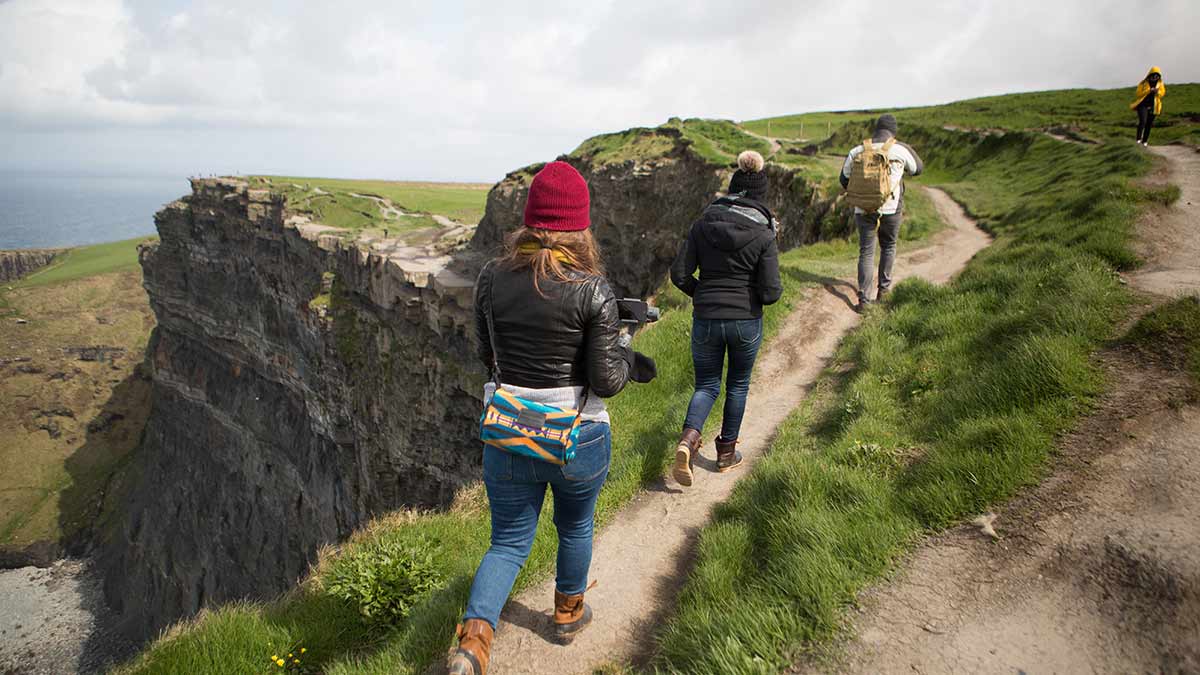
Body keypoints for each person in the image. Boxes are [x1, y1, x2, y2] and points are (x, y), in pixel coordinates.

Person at [449, 161, 657, 675]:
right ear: (580, 226)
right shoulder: (594, 289)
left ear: (528, 221)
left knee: (509, 542)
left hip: (509, 431)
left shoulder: (490, 278)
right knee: (575, 525)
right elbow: (607, 380)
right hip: (577, 437)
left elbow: (486, 355)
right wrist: (628, 348)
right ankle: (567, 615)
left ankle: (474, 643)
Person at [668, 150, 782, 487]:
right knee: (737, 385)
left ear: (731, 189)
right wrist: (749, 297)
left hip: (706, 317)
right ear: (761, 195)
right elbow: (772, 291)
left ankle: (688, 439)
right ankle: (726, 454)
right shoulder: (764, 233)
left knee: (706, 384)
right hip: (745, 320)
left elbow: (679, 274)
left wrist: (703, 293)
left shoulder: (703, 225)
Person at [839, 114, 923, 312]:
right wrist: (903, 147)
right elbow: (918, 169)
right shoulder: (899, 150)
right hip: (891, 208)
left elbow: (844, 180)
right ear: (893, 132)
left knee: (866, 251)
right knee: (888, 246)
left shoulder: (857, 150)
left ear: (876, 130)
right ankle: (883, 292)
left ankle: (864, 301)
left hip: (863, 208)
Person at [1131, 67, 1166, 146]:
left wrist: (1157, 92)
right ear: (1150, 75)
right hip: (1142, 105)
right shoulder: (1143, 83)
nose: (1155, 77)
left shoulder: (1160, 84)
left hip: (1154, 106)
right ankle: (1138, 139)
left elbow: (1162, 93)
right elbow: (1138, 94)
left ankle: (1145, 141)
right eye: (1154, 75)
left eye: (1157, 76)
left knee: (1149, 124)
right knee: (1143, 121)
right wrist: (1149, 91)